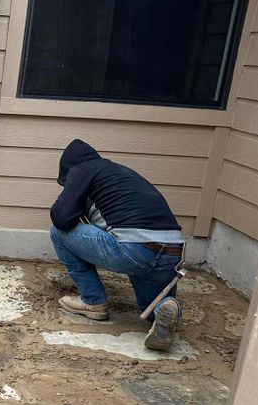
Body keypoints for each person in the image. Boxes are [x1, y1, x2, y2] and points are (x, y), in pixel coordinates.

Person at [49, 139, 184, 351]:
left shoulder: (82, 169)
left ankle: (93, 301)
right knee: (148, 308)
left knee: (58, 232)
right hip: (172, 251)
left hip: (134, 249)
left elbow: (61, 217)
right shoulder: (120, 172)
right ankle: (164, 310)